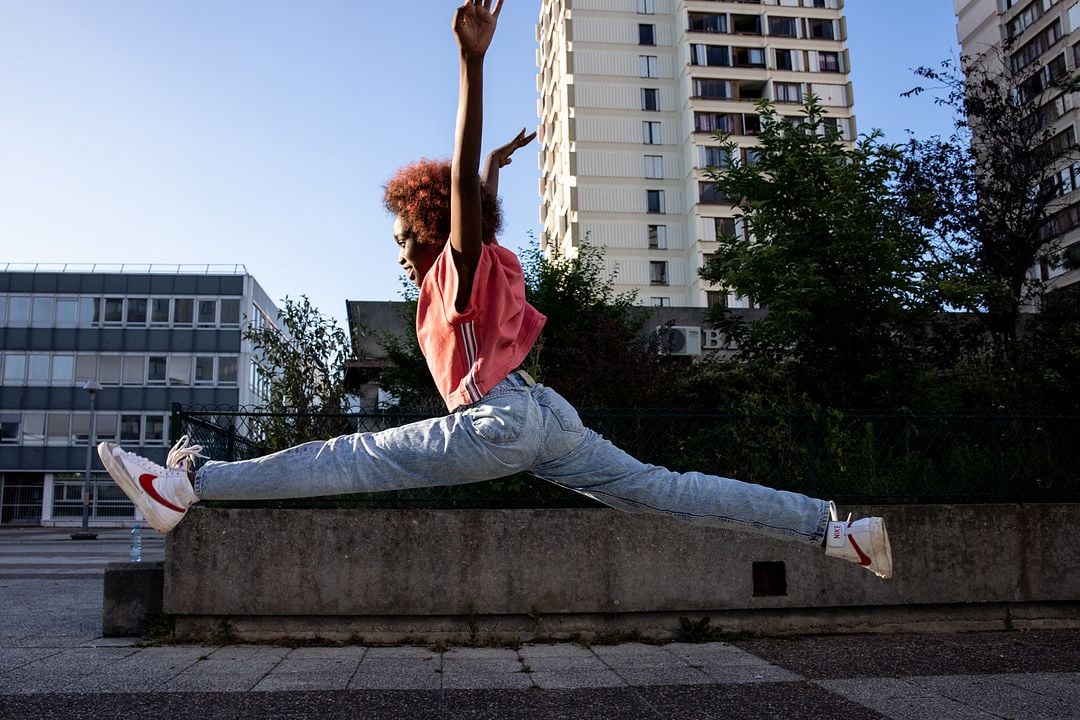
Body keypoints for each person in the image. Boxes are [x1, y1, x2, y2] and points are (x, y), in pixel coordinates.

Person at [98, 0, 892, 580]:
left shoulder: (459, 263)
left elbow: (463, 218)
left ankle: (186, 487)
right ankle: (835, 531)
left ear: (430, 232)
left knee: (358, 455)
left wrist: (471, 69)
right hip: (549, 417)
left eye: (407, 244)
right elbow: (473, 207)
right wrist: (494, 172)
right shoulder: (496, 262)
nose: (406, 262)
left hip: (502, 420)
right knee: (668, 491)